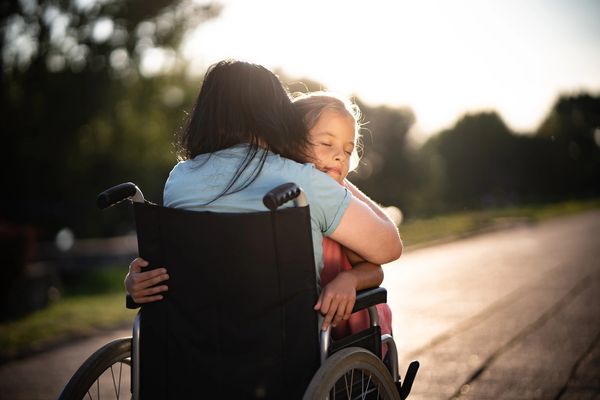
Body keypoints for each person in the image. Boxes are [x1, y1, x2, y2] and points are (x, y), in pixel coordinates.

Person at [125, 59, 402, 334]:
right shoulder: (302, 183)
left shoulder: (179, 180)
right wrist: (335, 181)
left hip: (197, 344)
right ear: (272, 111)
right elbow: (388, 246)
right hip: (283, 346)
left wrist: (134, 280)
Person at [293, 91, 393, 351]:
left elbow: (375, 270)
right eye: (327, 144)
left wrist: (350, 280)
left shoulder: (341, 207)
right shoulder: (281, 196)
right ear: (291, 142)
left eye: (348, 151)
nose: (340, 156)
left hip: (354, 334)